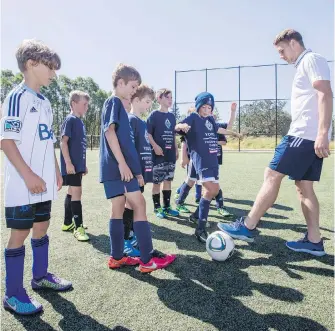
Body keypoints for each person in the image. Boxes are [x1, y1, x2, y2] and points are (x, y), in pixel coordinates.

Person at [218, 29, 333, 257]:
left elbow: (325, 94)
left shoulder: (311, 59)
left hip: (303, 135)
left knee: (272, 174)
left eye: (282, 50)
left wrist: (322, 133)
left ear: (293, 43)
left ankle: (247, 226)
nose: (280, 55)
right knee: (304, 187)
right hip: (308, 136)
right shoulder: (304, 64)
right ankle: (314, 241)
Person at [1, 39, 72, 316]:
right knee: (20, 233)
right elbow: (6, 141)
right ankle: (13, 293)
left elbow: (48, 141)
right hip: (23, 184)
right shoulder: (16, 97)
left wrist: (54, 170)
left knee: (42, 227)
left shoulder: (45, 102)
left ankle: (40, 276)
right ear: (31, 64)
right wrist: (29, 175)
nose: (54, 73)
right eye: (50, 67)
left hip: (43, 183)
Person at [99, 64, 175, 272]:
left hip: (116, 169)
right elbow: (109, 133)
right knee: (139, 205)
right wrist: (123, 164)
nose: (134, 91)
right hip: (119, 169)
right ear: (120, 83)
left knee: (117, 210)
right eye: (132, 87)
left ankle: (116, 257)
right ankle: (147, 259)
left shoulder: (120, 108)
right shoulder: (113, 101)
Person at [175, 92, 232, 242]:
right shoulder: (193, 118)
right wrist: (181, 126)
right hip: (201, 161)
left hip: (212, 161)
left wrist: (234, 133)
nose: (207, 110)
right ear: (199, 106)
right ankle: (200, 228)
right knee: (212, 190)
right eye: (205, 107)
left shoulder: (211, 121)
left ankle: (195, 216)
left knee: (213, 191)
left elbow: (219, 130)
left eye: (210, 107)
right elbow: (177, 127)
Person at [123, 84, 155, 257]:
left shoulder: (141, 122)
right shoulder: (130, 120)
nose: (149, 105)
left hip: (141, 173)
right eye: (147, 101)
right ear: (135, 100)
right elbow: (129, 149)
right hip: (134, 174)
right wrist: (137, 173)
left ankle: (132, 236)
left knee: (135, 205)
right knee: (130, 205)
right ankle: (125, 241)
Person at [60, 90, 90, 241]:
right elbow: (63, 142)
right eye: (84, 104)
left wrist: (82, 165)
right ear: (74, 103)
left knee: (72, 192)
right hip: (71, 166)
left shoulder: (80, 122)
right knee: (77, 193)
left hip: (78, 166)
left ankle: (67, 223)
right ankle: (78, 227)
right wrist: (69, 163)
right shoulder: (70, 119)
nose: (87, 107)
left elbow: (79, 147)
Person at [147, 89, 179, 219]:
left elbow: (173, 134)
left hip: (170, 154)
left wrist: (176, 149)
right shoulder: (153, 115)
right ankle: (157, 207)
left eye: (171, 97)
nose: (170, 100)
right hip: (158, 155)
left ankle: (167, 207)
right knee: (157, 182)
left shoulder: (172, 117)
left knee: (168, 180)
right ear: (159, 99)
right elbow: (148, 133)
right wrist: (155, 146)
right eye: (167, 97)